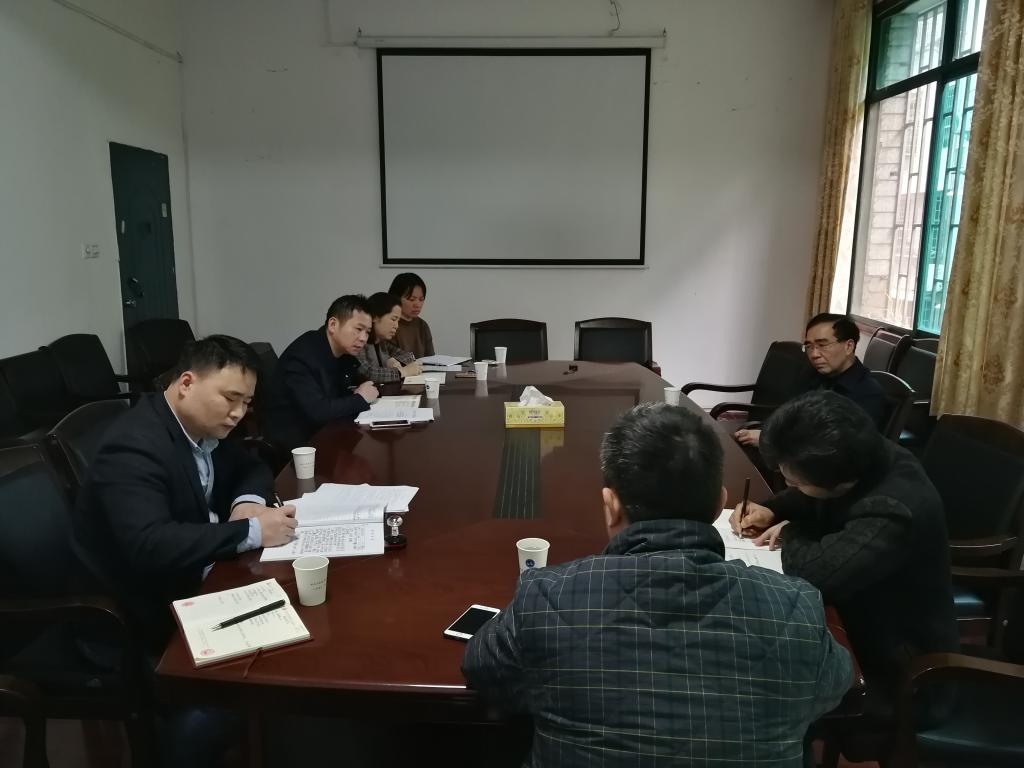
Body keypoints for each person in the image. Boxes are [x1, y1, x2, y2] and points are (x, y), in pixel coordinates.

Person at [463, 403, 852, 767]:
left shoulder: (546, 597)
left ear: (610, 505)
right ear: (719, 503)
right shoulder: (795, 607)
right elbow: (834, 687)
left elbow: (482, 667)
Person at [73, 335, 298, 650]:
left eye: (246, 402)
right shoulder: (133, 445)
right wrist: (252, 531)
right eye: (230, 398)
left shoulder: (199, 426)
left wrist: (246, 502)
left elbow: (252, 467)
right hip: (148, 610)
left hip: (202, 572)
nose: (238, 413)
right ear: (187, 384)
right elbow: (151, 544)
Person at [729, 391, 958, 696]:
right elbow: (816, 495)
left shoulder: (891, 509)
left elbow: (815, 576)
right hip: (860, 611)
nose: (789, 486)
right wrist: (772, 509)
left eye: (795, 483)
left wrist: (792, 530)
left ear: (840, 482)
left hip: (897, 664)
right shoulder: (862, 454)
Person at [736, 313, 887, 449]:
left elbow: (840, 447)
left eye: (822, 345)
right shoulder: (813, 374)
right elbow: (789, 415)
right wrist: (766, 432)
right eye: (809, 346)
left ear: (849, 346)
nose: (814, 354)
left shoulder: (868, 392)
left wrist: (771, 441)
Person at [264, 295, 379, 450]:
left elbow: (346, 390)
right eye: (358, 329)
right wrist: (360, 398)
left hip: (326, 432)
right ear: (333, 325)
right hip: (299, 445)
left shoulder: (343, 354)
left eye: (367, 332)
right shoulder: (303, 356)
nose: (363, 338)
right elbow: (318, 411)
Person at [356, 292, 423, 384]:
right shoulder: (358, 342)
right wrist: (402, 372)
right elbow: (368, 373)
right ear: (375, 317)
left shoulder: (382, 342)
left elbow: (409, 356)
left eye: (398, 321)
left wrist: (393, 360)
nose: (396, 326)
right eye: (393, 319)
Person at [388, 272, 435, 358]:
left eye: (421, 299)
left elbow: (431, 359)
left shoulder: (422, 325)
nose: (417, 305)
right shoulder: (390, 325)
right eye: (411, 299)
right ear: (396, 298)